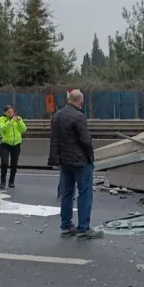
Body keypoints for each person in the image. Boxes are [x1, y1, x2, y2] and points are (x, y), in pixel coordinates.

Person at [48, 90, 102, 240]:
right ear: (81, 102)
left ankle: (66, 226)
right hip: (80, 161)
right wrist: (90, 156)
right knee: (85, 193)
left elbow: (54, 140)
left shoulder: (57, 116)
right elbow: (85, 140)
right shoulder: (79, 116)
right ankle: (83, 229)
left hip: (64, 161)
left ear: (68, 100)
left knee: (67, 193)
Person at [0, 105, 27, 189]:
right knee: (4, 163)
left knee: (14, 163)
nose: (11, 113)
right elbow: (3, 129)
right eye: (9, 112)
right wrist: (11, 121)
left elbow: (24, 129)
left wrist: (19, 121)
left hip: (16, 144)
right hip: (5, 144)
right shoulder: (1, 120)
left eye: (12, 112)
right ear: (5, 113)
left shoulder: (18, 119)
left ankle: (11, 181)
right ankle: (2, 182)